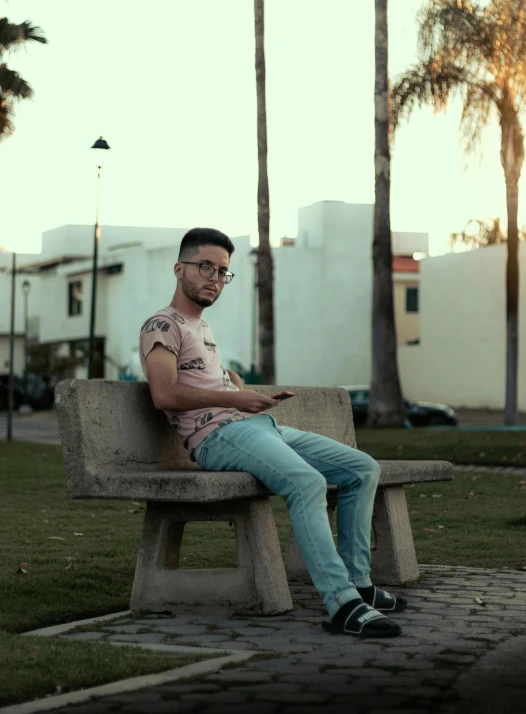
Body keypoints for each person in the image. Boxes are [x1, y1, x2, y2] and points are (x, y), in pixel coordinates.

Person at [139, 227, 407, 638]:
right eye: (204, 266)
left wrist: (239, 392)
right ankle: (341, 604)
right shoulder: (162, 324)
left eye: (222, 271)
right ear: (179, 269)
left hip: (254, 427)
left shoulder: (202, 329)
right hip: (218, 439)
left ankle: (359, 584)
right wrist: (235, 401)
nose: (213, 277)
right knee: (307, 483)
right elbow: (163, 394)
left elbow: (205, 387)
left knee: (362, 469)